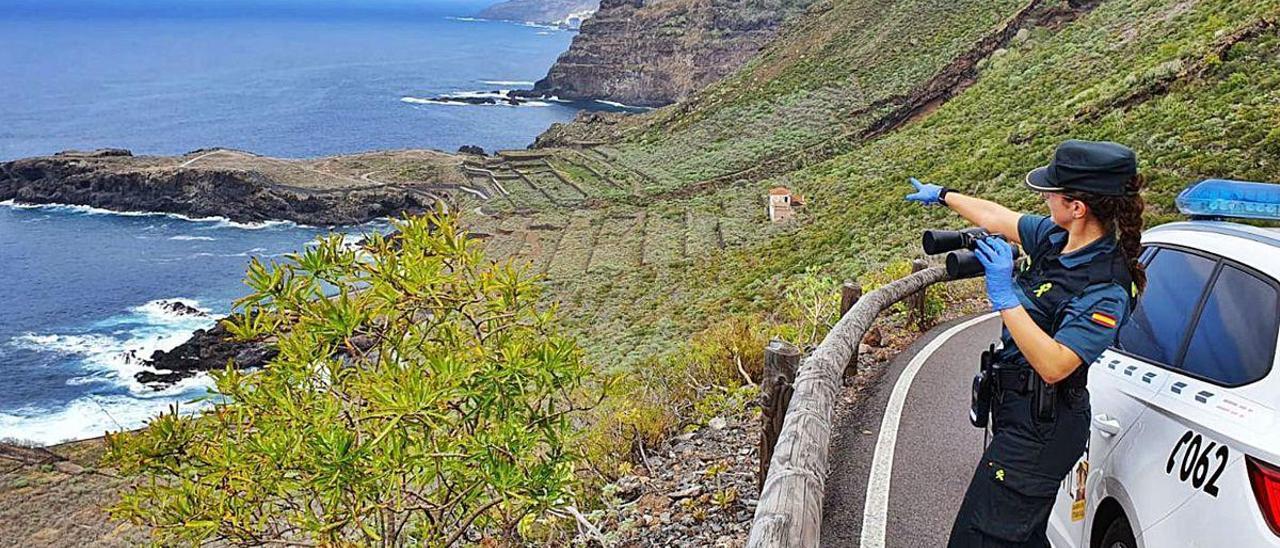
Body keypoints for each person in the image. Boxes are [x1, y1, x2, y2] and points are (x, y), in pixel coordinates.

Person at [904, 139, 1148, 547]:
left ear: (1077, 207)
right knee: (1024, 536)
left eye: (1052, 192)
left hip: (1041, 432)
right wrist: (944, 195)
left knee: (979, 538)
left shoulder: (1105, 287)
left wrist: (1004, 296)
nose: (1044, 197)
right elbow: (998, 217)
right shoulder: (1057, 238)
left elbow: (1055, 364)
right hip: (1019, 414)